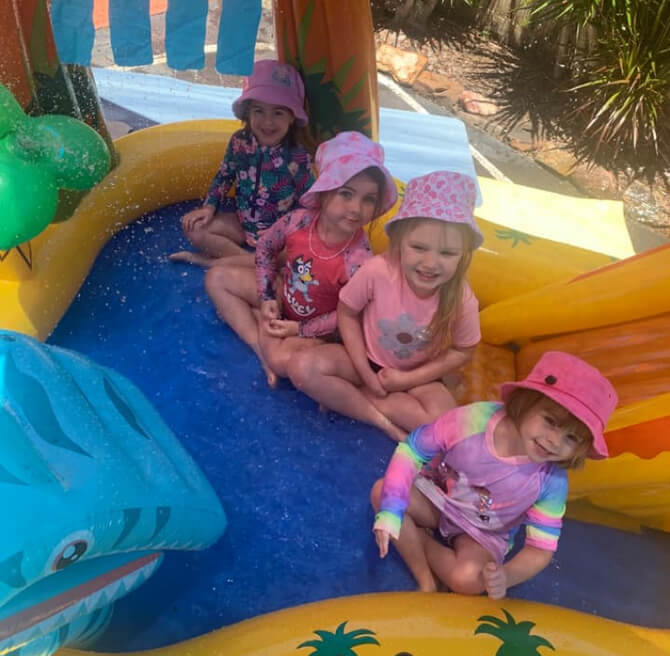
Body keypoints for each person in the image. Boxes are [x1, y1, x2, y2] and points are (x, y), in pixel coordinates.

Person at [370, 351, 618, 599]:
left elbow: (540, 549)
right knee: (383, 493)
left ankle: (424, 545)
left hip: (482, 534)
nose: (554, 441)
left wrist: (506, 576)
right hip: (438, 499)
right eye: (550, 421)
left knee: (469, 579)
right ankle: (426, 580)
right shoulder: (471, 421)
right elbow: (412, 450)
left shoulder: (552, 480)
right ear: (526, 402)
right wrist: (392, 511)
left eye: (571, 438)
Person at [289, 170, 483, 440]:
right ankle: (379, 416)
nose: (430, 264)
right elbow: (347, 313)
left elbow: (463, 350)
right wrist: (363, 371)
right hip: (363, 360)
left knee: (449, 428)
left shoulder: (461, 299)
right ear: (399, 242)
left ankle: (353, 400)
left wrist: (408, 380)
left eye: (447, 253)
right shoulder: (378, 271)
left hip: (418, 378)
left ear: (464, 255)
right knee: (302, 367)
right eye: (418, 247)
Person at [204, 131, 398, 388]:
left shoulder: (359, 260)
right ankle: (257, 342)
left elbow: (348, 315)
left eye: (368, 200)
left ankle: (267, 338)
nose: (356, 208)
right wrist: (266, 297)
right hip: (284, 296)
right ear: (325, 191)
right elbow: (264, 248)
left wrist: (300, 330)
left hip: (317, 330)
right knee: (217, 278)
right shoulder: (299, 221)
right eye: (346, 194)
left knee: (282, 361)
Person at [169, 59, 314, 265]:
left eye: (278, 113)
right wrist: (208, 208)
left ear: (292, 117)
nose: (268, 122)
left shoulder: (297, 155)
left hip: (276, 235)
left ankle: (218, 262)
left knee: (302, 252)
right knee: (195, 228)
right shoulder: (239, 142)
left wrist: (284, 229)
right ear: (247, 112)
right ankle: (252, 262)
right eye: (259, 111)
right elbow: (224, 176)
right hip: (241, 224)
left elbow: (309, 202)